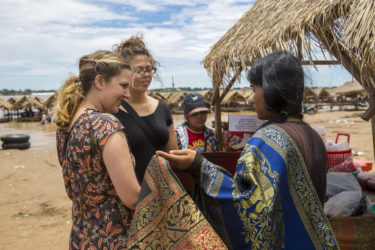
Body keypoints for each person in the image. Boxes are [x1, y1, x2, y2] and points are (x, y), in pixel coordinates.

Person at [157, 51, 338, 249]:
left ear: (271, 90)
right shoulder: (312, 136)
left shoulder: (267, 140)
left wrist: (198, 166)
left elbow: (246, 209)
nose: (252, 99)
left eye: (254, 89)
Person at [54, 50, 140, 248]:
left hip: (81, 237)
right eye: (123, 86)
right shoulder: (105, 125)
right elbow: (133, 198)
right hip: (113, 240)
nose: (127, 94)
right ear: (100, 82)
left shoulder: (65, 126)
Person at [113, 36, 178, 183]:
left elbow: (173, 155)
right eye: (139, 70)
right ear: (123, 71)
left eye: (149, 69)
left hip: (164, 188)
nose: (146, 75)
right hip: (133, 194)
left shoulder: (162, 107)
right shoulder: (114, 111)